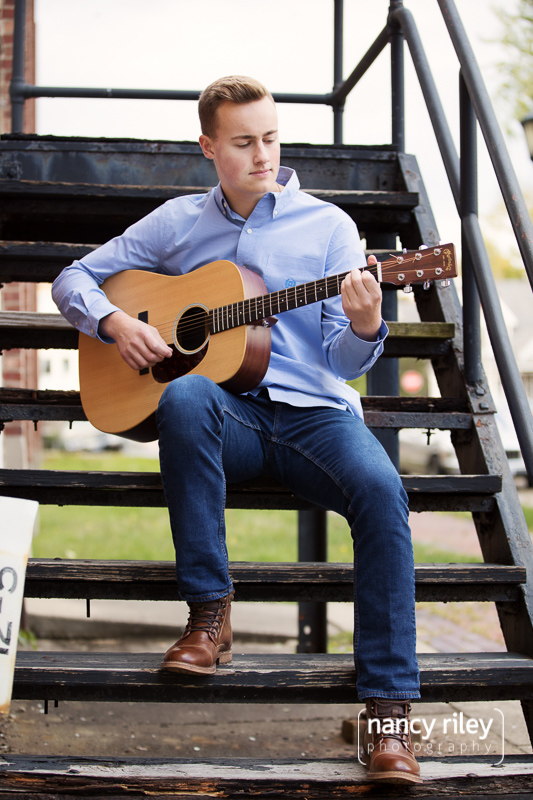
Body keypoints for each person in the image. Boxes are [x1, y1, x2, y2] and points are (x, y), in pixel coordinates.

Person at [52, 75, 421, 784]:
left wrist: (367, 322)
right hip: (230, 419)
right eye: (244, 142)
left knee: (382, 493)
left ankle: (388, 715)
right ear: (208, 147)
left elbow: (342, 359)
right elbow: (75, 278)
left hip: (316, 417)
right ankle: (209, 618)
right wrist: (116, 322)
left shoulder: (329, 228)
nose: (262, 155)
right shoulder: (178, 224)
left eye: (271, 138)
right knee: (188, 393)